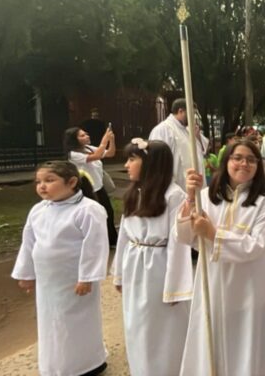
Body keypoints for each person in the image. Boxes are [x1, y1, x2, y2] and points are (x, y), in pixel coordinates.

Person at [176, 139, 265, 375]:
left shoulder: (264, 201)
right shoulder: (207, 197)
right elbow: (184, 236)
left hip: (248, 287)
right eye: (238, 158)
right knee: (211, 339)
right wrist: (190, 197)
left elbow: (256, 246)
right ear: (226, 162)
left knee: (244, 342)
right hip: (212, 281)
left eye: (251, 160)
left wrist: (213, 234)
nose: (244, 163)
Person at [12, 160, 109, 376]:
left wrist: (87, 277)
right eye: (38, 181)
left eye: (49, 180)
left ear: (72, 182)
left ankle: (87, 364)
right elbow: (29, 242)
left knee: (77, 322)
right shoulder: (38, 210)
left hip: (74, 280)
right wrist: (26, 274)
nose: (42, 186)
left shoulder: (89, 210)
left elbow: (94, 245)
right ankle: (54, 366)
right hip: (49, 282)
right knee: (51, 322)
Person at [111, 139, 192, 376]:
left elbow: (179, 245)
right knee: (136, 326)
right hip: (136, 265)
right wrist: (119, 273)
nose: (126, 165)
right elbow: (124, 235)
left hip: (159, 269)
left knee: (160, 328)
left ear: (151, 163)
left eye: (132, 159)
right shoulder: (134, 193)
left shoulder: (173, 195)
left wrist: (176, 286)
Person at [63, 125, 118, 246]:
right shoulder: (73, 154)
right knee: (95, 216)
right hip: (87, 190)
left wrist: (111, 140)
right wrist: (104, 139)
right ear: (74, 139)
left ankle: (112, 240)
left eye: (86, 134)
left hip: (99, 187)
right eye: (82, 135)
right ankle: (96, 242)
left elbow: (110, 153)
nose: (87, 136)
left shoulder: (88, 148)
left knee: (108, 212)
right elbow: (96, 156)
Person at [149, 98, 209, 188]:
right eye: (192, 113)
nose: (193, 117)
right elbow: (157, 162)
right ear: (181, 111)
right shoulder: (163, 130)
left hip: (196, 187)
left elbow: (203, 150)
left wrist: (198, 137)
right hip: (177, 189)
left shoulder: (188, 130)